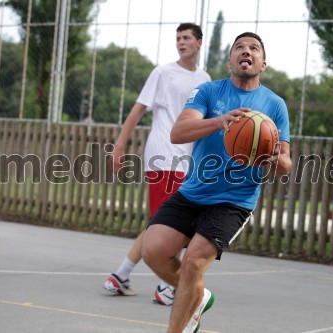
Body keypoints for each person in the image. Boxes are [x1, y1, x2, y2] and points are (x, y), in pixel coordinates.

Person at [141, 32, 292, 333]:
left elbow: (286, 165)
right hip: (193, 192)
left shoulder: (274, 105)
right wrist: (220, 121)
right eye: (239, 47)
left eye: (253, 48)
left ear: (263, 63)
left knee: (194, 262)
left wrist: (271, 156)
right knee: (152, 250)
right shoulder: (208, 92)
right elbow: (178, 132)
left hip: (234, 200)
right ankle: (199, 296)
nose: (246, 51)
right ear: (230, 60)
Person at [102, 23, 210, 305]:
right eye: (178, 38)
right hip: (164, 157)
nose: (181, 42)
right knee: (168, 226)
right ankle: (165, 286)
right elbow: (138, 109)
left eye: (187, 38)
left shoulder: (205, 78)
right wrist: (120, 145)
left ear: (199, 42)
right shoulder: (163, 72)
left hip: (188, 162)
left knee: (161, 224)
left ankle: (121, 275)